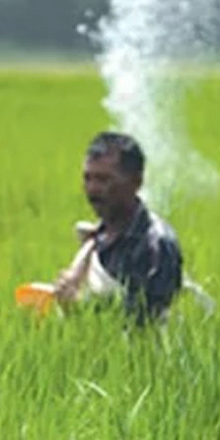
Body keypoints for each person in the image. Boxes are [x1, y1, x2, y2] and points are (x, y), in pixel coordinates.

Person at [55, 131, 184, 324]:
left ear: (136, 183)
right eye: (87, 178)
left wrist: (79, 306)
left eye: (104, 179)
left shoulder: (156, 244)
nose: (92, 189)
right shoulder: (96, 237)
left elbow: (146, 323)